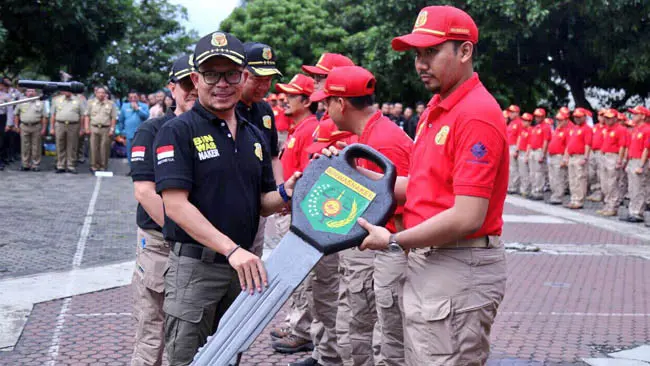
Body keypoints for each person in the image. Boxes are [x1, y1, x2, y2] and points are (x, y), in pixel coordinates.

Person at [323, 7, 508, 365]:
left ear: (465, 51)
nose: (421, 64)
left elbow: (469, 215)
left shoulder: (475, 114)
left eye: (432, 52)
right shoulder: (438, 109)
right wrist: (352, 175)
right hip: (435, 259)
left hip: (457, 261)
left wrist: (393, 240)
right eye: (417, 54)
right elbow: (421, 187)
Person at [153, 31, 300, 366]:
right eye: (211, 74)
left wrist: (286, 192)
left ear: (244, 76)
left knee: (229, 356)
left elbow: (261, 202)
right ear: (195, 78)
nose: (222, 83)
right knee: (187, 359)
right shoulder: (177, 131)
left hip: (240, 271)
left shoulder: (253, 134)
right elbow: (175, 205)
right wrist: (232, 250)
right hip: (196, 270)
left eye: (231, 74)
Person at [310, 65, 413, 366]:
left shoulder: (383, 140)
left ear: (340, 103)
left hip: (390, 244)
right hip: (381, 244)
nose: (324, 108)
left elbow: (403, 202)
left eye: (326, 101)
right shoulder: (372, 134)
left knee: (383, 338)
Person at [278, 52, 356, 366]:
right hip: (317, 217)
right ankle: (323, 352)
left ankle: (329, 354)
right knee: (321, 291)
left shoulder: (341, 124)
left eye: (323, 77)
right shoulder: (324, 122)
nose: (318, 83)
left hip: (333, 222)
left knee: (337, 295)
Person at [129, 55, 197, 366]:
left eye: (200, 79)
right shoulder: (153, 129)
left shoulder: (212, 127)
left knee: (187, 337)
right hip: (162, 242)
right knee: (152, 333)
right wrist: (182, 230)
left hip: (199, 248)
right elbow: (144, 192)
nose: (194, 89)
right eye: (186, 83)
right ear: (172, 88)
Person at [270, 73, 319, 353]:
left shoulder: (310, 129)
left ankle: (301, 329)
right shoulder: (298, 128)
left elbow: (307, 177)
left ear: (307, 100)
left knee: (302, 275)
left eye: (292, 94)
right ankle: (295, 323)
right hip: (289, 209)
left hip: (296, 213)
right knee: (295, 275)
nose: (285, 99)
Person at [236, 42, 284, 259]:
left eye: (269, 80)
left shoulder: (264, 109)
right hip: (230, 206)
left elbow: (273, 156)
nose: (264, 87)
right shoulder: (225, 108)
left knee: (254, 258)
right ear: (241, 74)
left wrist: (280, 193)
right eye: (257, 79)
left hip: (259, 207)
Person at [621, 106, 650, 222]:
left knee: (639, 188)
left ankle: (638, 213)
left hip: (639, 161)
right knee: (632, 188)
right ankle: (632, 211)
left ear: (643, 116)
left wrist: (641, 165)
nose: (633, 116)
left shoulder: (647, 129)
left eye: (635, 114)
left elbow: (646, 149)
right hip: (633, 160)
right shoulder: (636, 129)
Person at [597, 108, 628, 216]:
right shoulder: (606, 129)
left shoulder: (620, 129)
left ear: (615, 118)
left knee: (612, 183)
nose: (607, 120)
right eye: (606, 118)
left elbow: (622, 146)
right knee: (604, 183)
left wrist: (620, 160)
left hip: (613, 157)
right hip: (605, 156)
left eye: (609, 118)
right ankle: (607, 205)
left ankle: (612, 207)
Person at [563, 108, 593, 209]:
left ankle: (579, 200)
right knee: (572, 179)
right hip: (572, 156)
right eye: (575, 117)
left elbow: (587, 144)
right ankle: (573, 199)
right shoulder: (574, 128)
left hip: (579, 156)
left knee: (580, 179)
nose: (577, 119)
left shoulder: (587, 129)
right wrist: (566, 156)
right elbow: (569, 144)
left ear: (584, 117)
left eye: (579, 117)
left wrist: (585, 157)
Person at [50, 91, 85, 173]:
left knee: (72, 145)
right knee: (60, 144)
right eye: (65, 90)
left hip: (73, 125)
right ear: (62, 91)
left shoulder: (79, 100)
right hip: (60, 124)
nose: (67, 92)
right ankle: (60, 165)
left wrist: (82, 128)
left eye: (69, 90)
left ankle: (71, 165)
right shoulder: (56, 100)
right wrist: (51, 128)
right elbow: (53, 115)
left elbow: (82, 116)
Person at [85, 86, 118, 172]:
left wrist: (112, 129)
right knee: (93, 148)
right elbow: (87, 116)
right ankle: (94, 166)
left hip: (106, 128)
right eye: (99, 92)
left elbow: (113, 118)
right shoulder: (90, 103)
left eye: (103, 93)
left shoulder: (111, 104)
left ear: (105, 94)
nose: (101, 94)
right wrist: (86, 127)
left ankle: (103, 166)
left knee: (104, 148)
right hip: (94, 127)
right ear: (96, 93)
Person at [14, 88, 47, 171]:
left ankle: (35, 164)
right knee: (25, 146)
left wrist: (44, 128)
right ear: (26, 92)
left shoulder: (40, 102)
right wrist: (16, 126)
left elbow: (44, 117)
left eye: (32, 91)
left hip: (36, 126)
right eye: (29, 91)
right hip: (24, 126)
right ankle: (25, 164)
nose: (30, 93)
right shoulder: (21, 102)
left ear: (35, 92)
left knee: (36, 146)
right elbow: (16, 115)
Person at [118, 90, 149, 173]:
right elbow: (121, 120)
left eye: (135, 97)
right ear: (128, 98)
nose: (133, 99)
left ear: (138, 97)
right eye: (131, 97)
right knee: (129, 152)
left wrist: (137, 109)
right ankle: (132, 170)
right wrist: (122, 132)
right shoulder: (124, 106)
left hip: (141, 133)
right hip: (129, 134)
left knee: (140, 153)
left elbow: (146, 116)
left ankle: (140, 170)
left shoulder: (144, 106)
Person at [547, 112, 571, 204]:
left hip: (559, 156)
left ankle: (558, 196)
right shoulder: (557, 130)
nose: (558, 122)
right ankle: (554, 194)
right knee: (552, 177)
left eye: (560, 120)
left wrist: (565, 158)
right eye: (557, 120)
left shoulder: (567, 131)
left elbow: (568, 146)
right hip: (552, 156)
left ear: (566, 120)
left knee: (559, 177)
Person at [528, 108, 551, 200]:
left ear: (543, 117)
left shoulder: (546, 127)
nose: (537, 118)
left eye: (539, 116)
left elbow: (546, 141)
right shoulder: (535, 127)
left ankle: (538, 191)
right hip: (533, 150)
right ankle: (534, 190)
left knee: (539, 172)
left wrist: (543, 154)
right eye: (536, 116)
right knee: (532, 172)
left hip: (539, 150)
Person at [587, 110, 606, 202]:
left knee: (600, 173)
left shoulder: (607, 128)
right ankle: (594, 190)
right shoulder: (595, 127)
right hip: (592, 151)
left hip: (601, 152)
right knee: (591, 173)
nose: (601, 117)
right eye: (600, 115)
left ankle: (600, 193)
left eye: (603, 116)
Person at [507, 105, 522, 193]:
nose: (510, 114)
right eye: (510, 112)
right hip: (509, 146)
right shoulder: (511, 123)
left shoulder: (519, 122)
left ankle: (514, 187)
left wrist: (517, 149)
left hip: (514, 146)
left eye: (512, 112)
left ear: (517, 113)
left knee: (514, 168)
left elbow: (520, 136)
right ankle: (511, 185)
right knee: (510, 168)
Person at [516, 112, 533, 197]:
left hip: (525, 152)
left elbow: (529, 144)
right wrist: (517, 149)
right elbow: (519, 139)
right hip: (521, 152)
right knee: (521, 172)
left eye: (525, 121)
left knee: (525, 173)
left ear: (529, 122)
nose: (523, 122)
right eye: (523, 120)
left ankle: (525, 190)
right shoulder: (522, 130)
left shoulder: (530, 130)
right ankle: (522, 188)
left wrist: (527, 155)